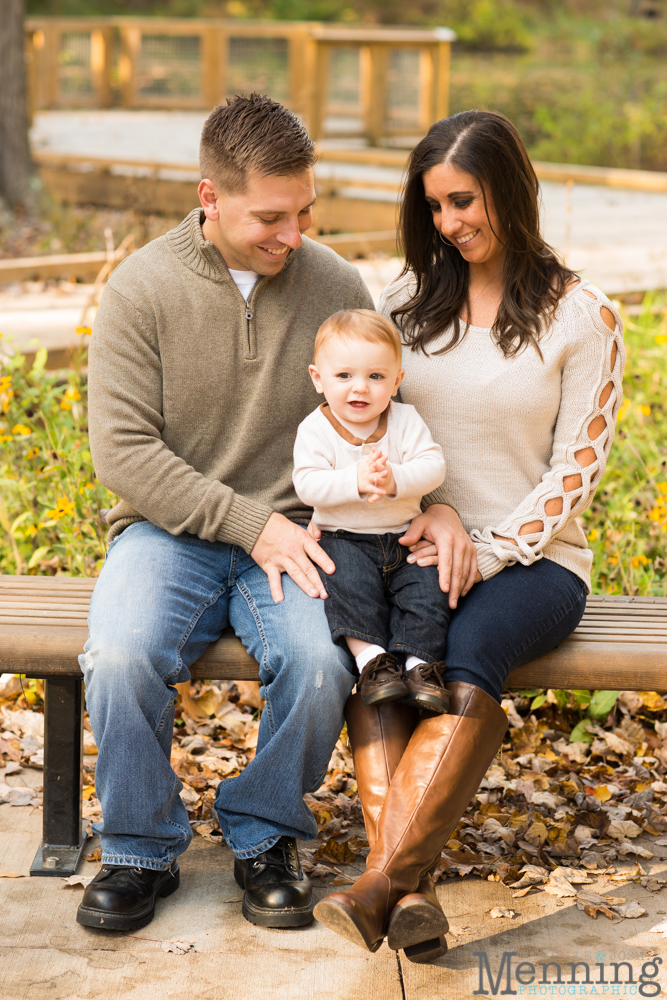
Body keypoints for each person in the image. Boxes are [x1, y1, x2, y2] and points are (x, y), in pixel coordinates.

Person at [313, 109, 625, 963]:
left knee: (471, 648)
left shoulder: (582, 315)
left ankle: (377, 883)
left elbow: (574, 472)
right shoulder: (410, 301)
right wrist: (433, 513)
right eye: (436, 208)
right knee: (373, 659)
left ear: (510, 191)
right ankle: (408, 895)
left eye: (464, 200)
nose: (451, 223)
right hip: (406, 541)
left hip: (533, 560)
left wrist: (483, 547)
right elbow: (371, 423)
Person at [75, 94, 375, 933]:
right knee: (121, 652)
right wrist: (250, 524)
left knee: (320, 669)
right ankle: (139, 848)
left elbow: (378, 408)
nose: (294, 233)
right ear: (210, 197)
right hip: (168, 533)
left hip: (298, 536)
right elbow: (125, 455)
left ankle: (265, 833)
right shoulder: (142, 288)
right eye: (271, 217)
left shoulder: (335, 284)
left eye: (305, 211)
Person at [293, 308, 450, 714]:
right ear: (318, 378)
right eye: (344, 376)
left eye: (376, 376)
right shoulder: (315, 429)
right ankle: (373, 663)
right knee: (345, 588)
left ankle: (418, 666)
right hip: (343, 538)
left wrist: (395, 479)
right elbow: (307, 484)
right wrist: (355, 481)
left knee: (427, 591)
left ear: (396, 380)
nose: (359, 388)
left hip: (403, 537)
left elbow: (434, 466)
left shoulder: (405, 421)